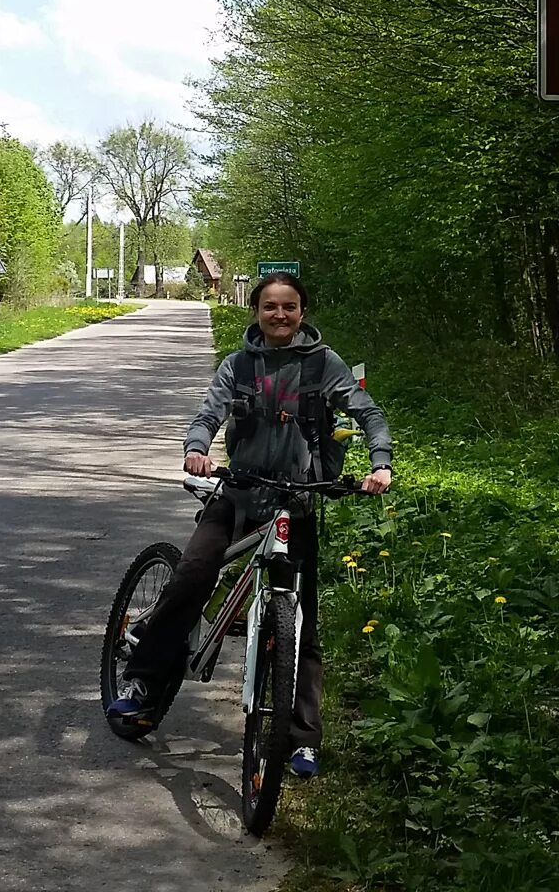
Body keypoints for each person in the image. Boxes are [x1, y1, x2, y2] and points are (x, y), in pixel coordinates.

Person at [108, 272, 392, 778]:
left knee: (301, 621)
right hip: (238, 493)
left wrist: (380, 463)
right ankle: (142, 683)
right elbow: (209, 412)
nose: (279, 315)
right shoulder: (239, 364)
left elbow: (367, 413)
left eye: (289, 307)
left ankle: (302, 740)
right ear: (256, 311)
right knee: (193, 576)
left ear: (302, 311)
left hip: (297, 501)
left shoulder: (324, 365)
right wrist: (196, 448)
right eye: (269, 307)